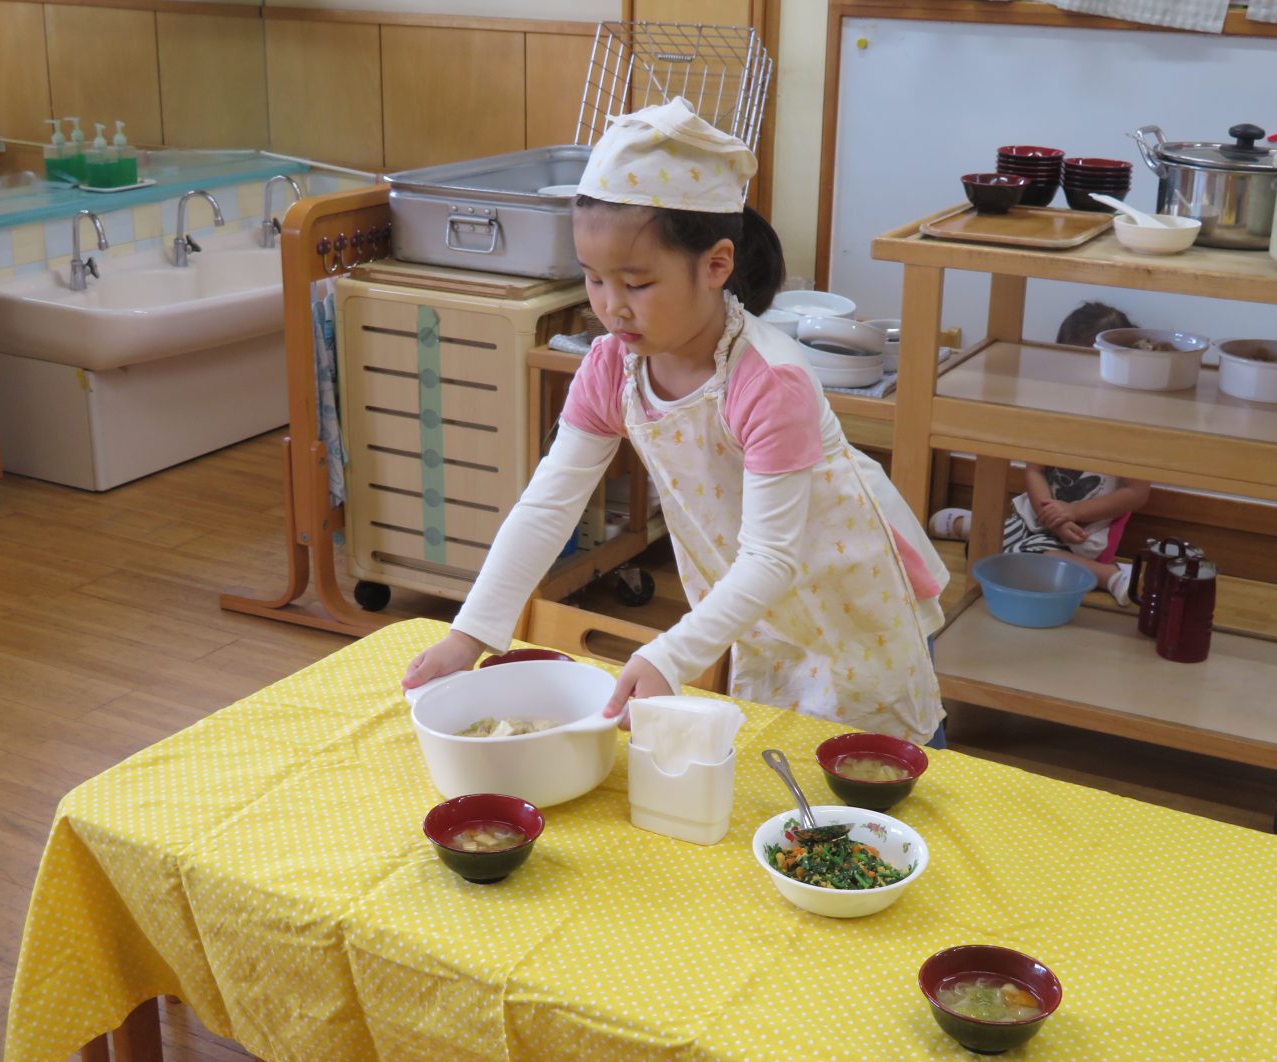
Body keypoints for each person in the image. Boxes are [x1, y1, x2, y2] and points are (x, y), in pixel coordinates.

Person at [403, 97, 948, 745]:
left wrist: (668, 655)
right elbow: (548, 506)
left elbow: (772, 557)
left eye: (635, 284)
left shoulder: (769, 381)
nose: (610, 308)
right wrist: (470, 634)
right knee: (783, 758)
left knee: (880, 763)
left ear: (716, 266)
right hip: (756, 600)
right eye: (594, 280)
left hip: (850, 596)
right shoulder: (612, 367)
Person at [926, 302, 1152, 604]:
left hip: (1082, 533)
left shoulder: (1129, 419)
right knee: (973, 546)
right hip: (1038, 515)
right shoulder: (1057, 408)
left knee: (1027, 559)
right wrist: (1050, 511)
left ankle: (1109, 575)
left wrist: (1072, 513)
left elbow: (1136, 493)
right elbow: (1034, 470)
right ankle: (974, 526)